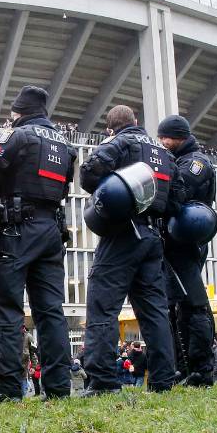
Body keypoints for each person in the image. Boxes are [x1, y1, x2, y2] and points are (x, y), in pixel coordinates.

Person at [0, 85, 76, 402]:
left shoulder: (16, 136)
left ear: (19, 112)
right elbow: (64, 190)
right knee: (50, 311)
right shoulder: (66, 145)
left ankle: (8, 389)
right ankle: (58, 388)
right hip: (51, 230)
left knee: (6, 308)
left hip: (16, 229)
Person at [78, 105, 179, 396]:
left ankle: (103, 381)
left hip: (123, 231)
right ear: (136, 122)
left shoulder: (118, 142)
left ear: (111, 128)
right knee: (154, 311)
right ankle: (162, 381)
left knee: (102, 305)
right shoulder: (164, 154)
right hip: (152, 237)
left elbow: (88, 175)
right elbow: (177, 198)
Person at [157, 114, 217, 386]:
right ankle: (184, 366)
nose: (161, 142)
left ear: (178, 136)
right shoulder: (180, 159)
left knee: (194, 304)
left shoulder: (196, 163)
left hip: (186, 241)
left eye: (164, 137)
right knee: (177, 305)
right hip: (174, 240)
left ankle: (202, 369)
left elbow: (176, 190)